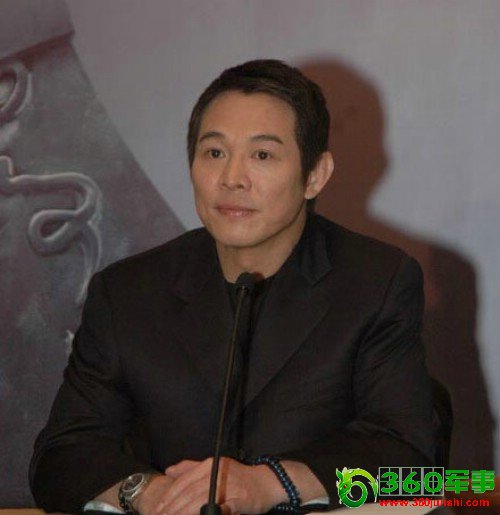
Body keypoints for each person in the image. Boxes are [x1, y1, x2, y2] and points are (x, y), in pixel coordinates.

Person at [30, 60, 435, 515]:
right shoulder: (127, 293)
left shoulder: (375, 281)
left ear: (315, 175)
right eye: (214, 153)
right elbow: (60, 458)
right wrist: (148, 492)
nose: (232, 179)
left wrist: (274, 483)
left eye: (262, 155)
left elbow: (414, 462)